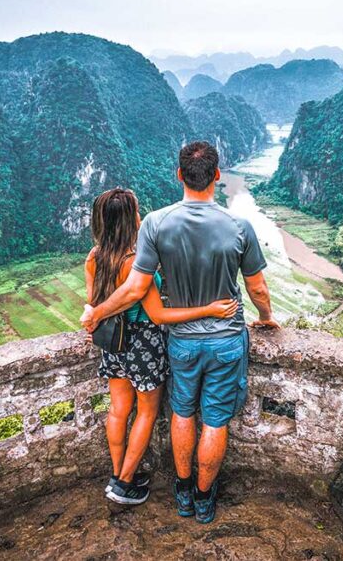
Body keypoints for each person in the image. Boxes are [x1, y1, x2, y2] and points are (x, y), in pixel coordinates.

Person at [82, 141, 279, 524]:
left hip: (182, 342)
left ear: (179, 176)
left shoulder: (156, 222)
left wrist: (96, 313)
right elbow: (257, 289)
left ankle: (183, 491)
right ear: (217, 176)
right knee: (216, 420)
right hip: (225, 340)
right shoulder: (240, 227)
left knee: (182, 414)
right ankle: (205, 498)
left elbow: (135, 289)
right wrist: (267, 316)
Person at [82, 188, 239, 506]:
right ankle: (125, 484)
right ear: (133, 219)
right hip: (142, 343)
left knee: (118, 410)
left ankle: (117, 474)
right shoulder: (136, 265)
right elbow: (158, 314)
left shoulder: (94, 257)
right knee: (147, 412)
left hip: (112, 343)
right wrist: (209, 309)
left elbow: (94, 305)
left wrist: (96, 317)